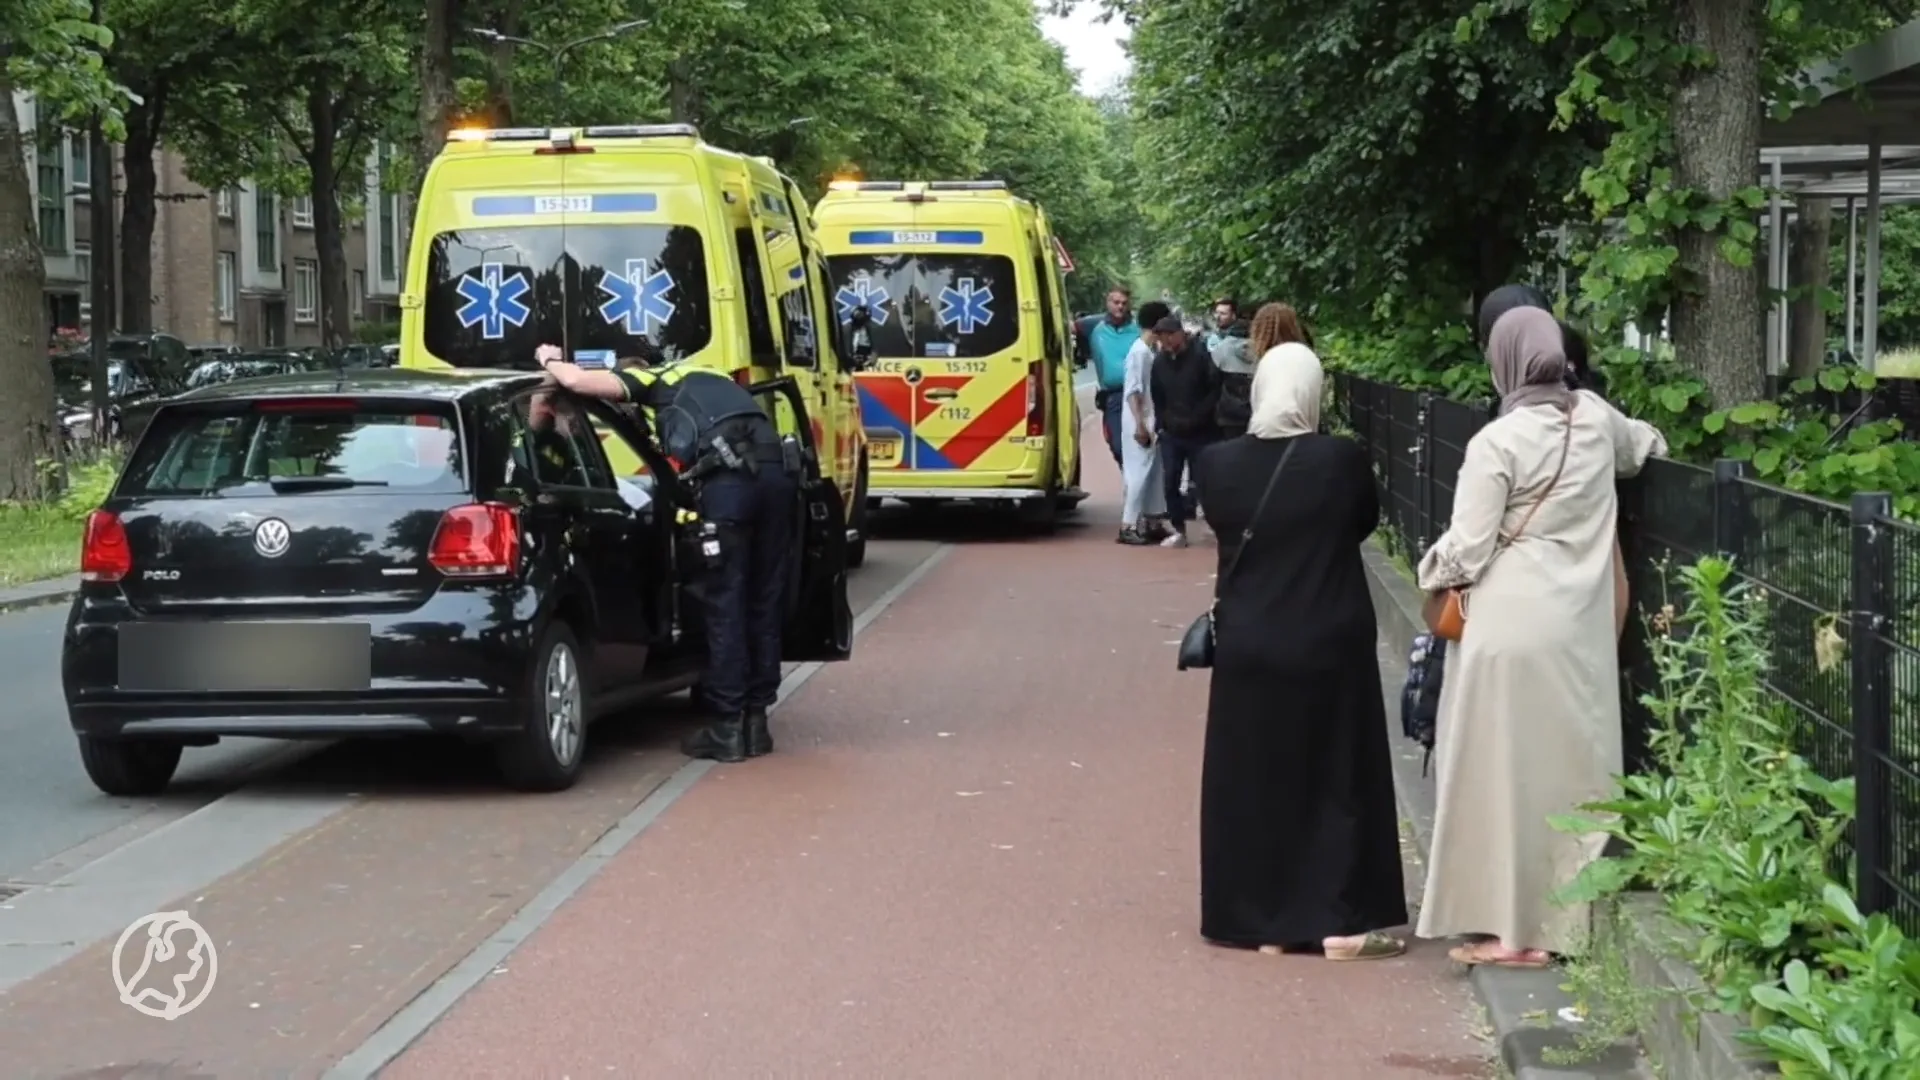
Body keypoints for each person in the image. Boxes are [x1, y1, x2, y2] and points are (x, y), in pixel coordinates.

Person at [1414, 307, 1666, 967]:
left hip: (1507, 625)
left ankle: (1510, 933)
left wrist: (1428, 570)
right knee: (1569, 775)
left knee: (1502, 778)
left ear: (1504, 362)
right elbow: (1649, 448)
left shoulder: (1497, 442)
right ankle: (1559, 926)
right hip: (1580, 628)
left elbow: (1467, 551)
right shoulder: (1596, 419)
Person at [1194, 340, 1409, 960]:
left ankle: (1263, 921)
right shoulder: (1340, 461)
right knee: (1336, 772)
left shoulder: (1217, 465)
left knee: (1256, 775)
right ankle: (1339, 921)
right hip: (1328, 634)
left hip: (1248, 639)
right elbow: (1362, 522)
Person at [533, 342, 796, 764]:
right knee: (762, 605)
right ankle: (756, 724)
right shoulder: (713, 380)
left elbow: (579, 381)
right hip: (777, 479)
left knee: (726, 606)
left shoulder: (653, 379)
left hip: (731, 488)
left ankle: (728, 728)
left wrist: (549, 359)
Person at [1148, 316, 1222, 548]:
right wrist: (1162, 423)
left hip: (1201, 430)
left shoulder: (1201, 356)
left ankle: (1216, 522)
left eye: (1170, 336)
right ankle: (1179, 529)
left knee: (1205, 480)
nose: (1166, 342)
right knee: (1170, 480)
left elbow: (1214, 390)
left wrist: (1200, 417)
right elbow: (1157, 396)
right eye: (1161, 338)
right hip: (1172, 432)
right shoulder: (1159, 363)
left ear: (1180, 333)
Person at [1119, 302, 1171, 545]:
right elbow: (1133, 391)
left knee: (1152, 472)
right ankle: (1127, 525)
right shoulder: (1139, 353)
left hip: (1149, 418)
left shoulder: (1148, 350)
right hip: (1140, 420)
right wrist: (1140, 425)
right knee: (1138, 471)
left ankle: (1152, 519)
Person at [1076, 288, 1142, 469]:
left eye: (1124, 303)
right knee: (1117, 445)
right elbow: (1064, 327)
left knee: (1143, 443)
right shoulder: (1093, 326)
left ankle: (1138, 486)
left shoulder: (1138, 326)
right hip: (1113, 396)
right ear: (1108, 303)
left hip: (1140, 394)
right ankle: (1129, 473)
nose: (1120, 306)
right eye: (1116, 302)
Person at [1211, 317, 1255, 438]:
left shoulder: (1221, 349)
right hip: (1256, 412)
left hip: (1228, 414)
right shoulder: (1262, 349)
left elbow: (1213, 381)